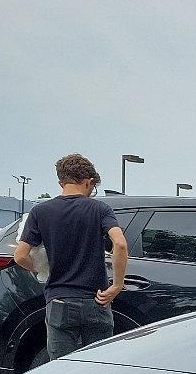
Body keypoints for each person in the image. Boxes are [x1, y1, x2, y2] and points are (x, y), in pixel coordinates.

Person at [13, 153, 128, 362]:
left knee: (61, 371)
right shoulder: (100, 209)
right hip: (96, 300)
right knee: (98, 367)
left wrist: (43, 269)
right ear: (88, 182)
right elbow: (119, 244)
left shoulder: (40, 211)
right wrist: (117, 285)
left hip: (59, 300)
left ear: (60, 182)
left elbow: (20, 256)